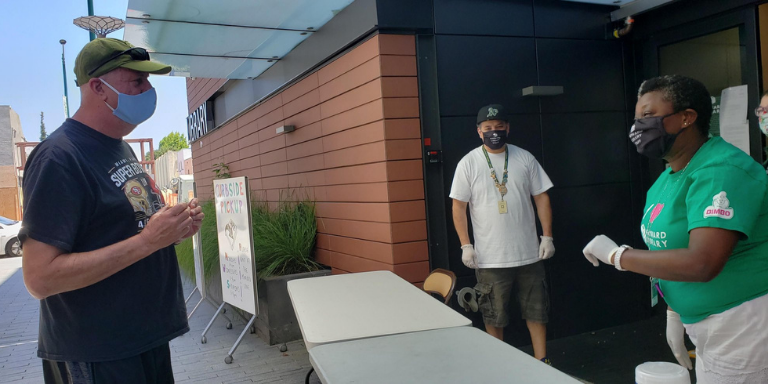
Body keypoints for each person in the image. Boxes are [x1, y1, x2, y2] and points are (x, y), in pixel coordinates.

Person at [19, 38, 204, 383]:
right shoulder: (58, 158)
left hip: (142, 341)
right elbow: (40, 278)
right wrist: (149, 241)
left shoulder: (120, 149)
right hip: (98, 355)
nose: (148, 89)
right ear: (97, 88)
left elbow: (129, 230)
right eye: (136, 81)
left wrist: (172, 229)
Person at [582, 75, 768, 383]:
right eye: (637, 118)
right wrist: (674, 311)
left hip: (742, 323)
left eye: (649, 116)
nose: (638, 127)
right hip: (707, 325)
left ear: (686, 117)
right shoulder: (669, 177)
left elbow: (702, 262)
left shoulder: (720, 170)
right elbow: (668, 251)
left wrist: (618, 256)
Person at [450, 104, 555, 364]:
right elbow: (458, 206)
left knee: (537, 311)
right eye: (488, 128)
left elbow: (541, 197)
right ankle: (501, 366)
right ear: (478, 131)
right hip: (489, 257)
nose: (494, 132)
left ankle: (543, 361)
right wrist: (466, 245)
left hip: (529, 254)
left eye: (499, 127)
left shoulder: (524, 158)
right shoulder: (469, 163)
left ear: (508, 128)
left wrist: (547, 236)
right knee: (492, 314)